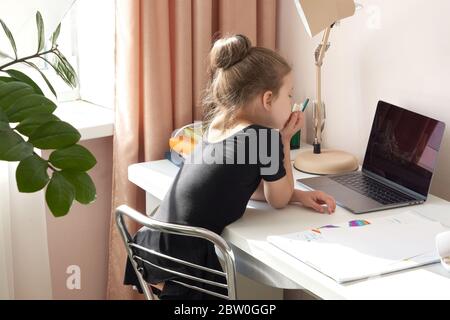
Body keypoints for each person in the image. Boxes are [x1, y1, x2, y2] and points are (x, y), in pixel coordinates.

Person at [124, 34, 336, 299]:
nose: (292, 101)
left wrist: (299, 195)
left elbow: (244, 185)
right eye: (289, 94)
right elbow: (277, 199)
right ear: (268, 99)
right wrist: (282, 140)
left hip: (155, 248)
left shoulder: (219, 124)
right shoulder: (265, 138)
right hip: (188, 268)